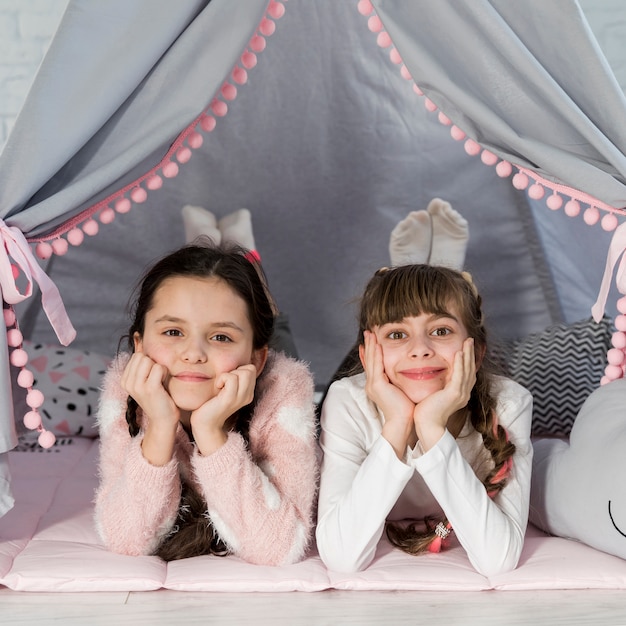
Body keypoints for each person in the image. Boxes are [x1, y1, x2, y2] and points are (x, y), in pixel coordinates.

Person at [94, 241, 318, 565]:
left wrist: (211, 432)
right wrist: (159, 427)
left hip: (263, 388)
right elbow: (127, 539)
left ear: (256, 357)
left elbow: (278, 547)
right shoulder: (126, 388)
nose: (194, 353)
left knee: (281, 333)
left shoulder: (285, 395)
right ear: (139, 346)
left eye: (221, 337)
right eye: (173, 331)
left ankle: (246, 248)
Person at [315, 264, 533, 576]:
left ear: (477, 352)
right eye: (397, 334)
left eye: (440, 331)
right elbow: (341, 556)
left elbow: (497, 558)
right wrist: (397, 424)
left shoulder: (510, 402)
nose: (420, 349)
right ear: (367, 357)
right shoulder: (347, 401)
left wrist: (432, 428)